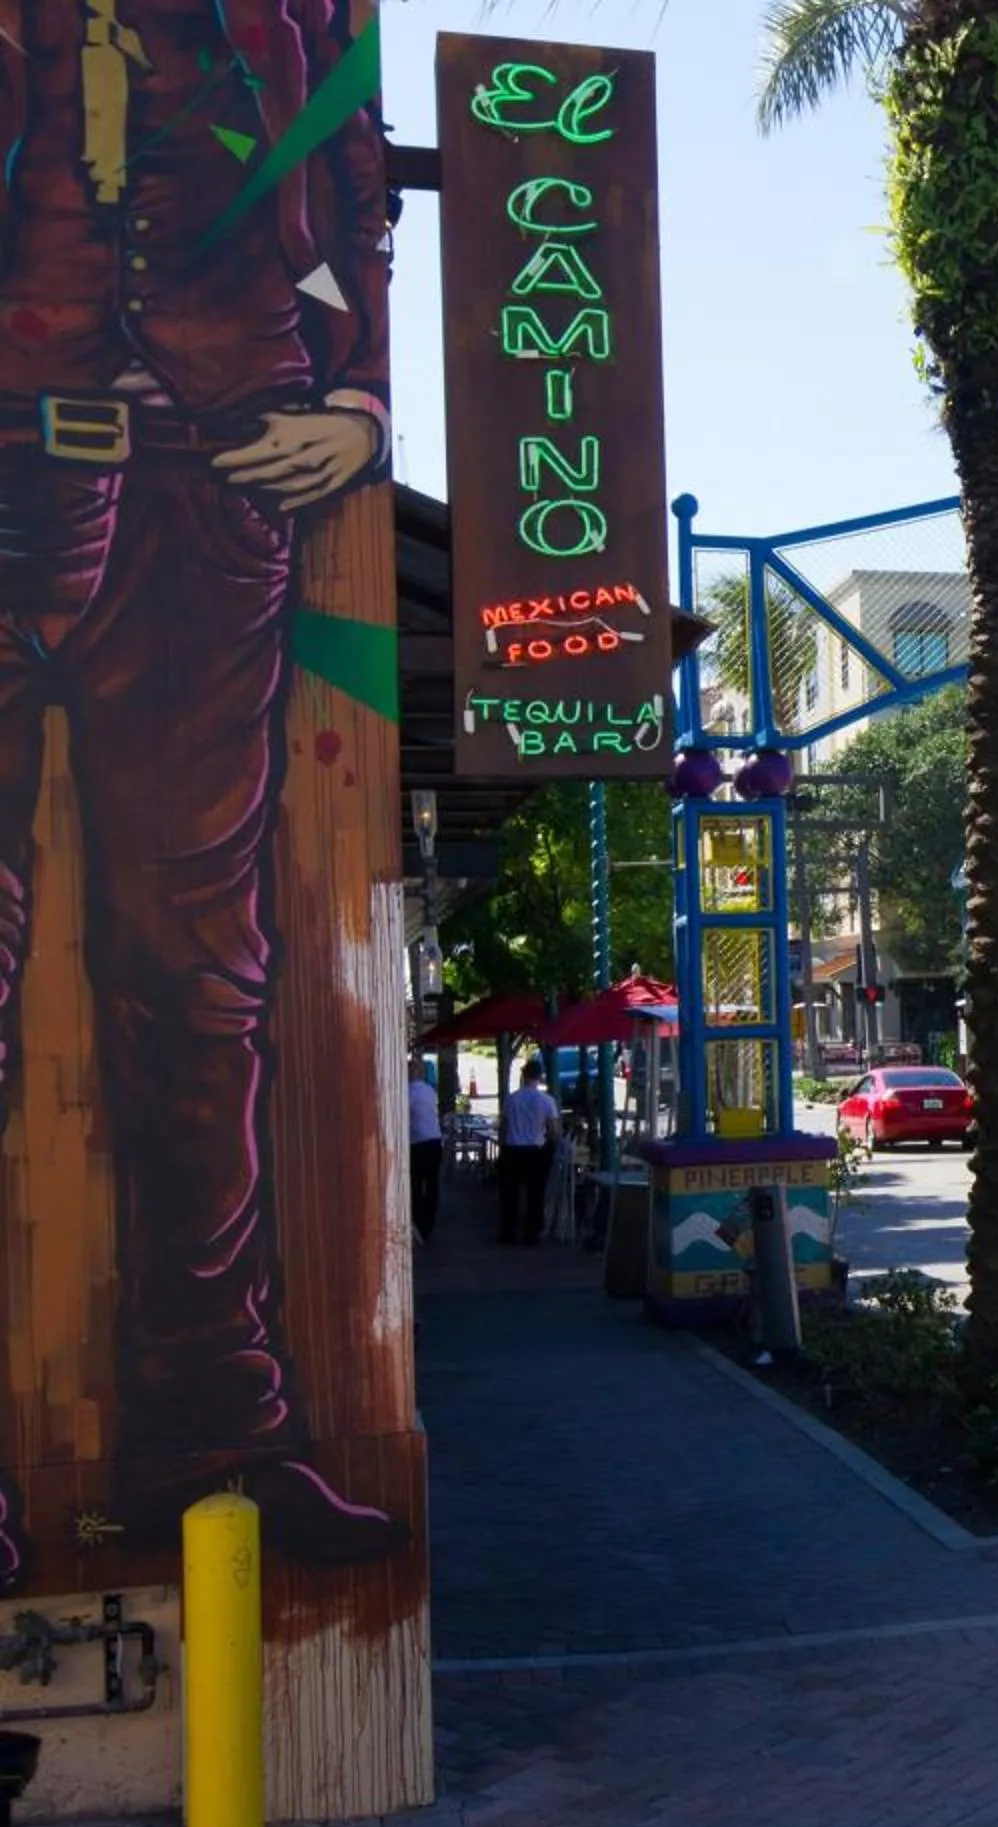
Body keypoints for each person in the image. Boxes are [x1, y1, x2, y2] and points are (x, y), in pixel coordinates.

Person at [0, 0, 398, 1591]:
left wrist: (357, 400)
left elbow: (349, 194)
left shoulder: (289, 6)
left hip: (202, 491)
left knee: (199, 973)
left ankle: (214, 1430)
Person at [497, 1061, 560, 1247]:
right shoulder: (547, 1101)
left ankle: (508, 1232)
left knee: (510, 1194)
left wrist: (503, 1147)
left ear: (523, 1075)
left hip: (513, 1149)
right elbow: (553, 1130)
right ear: (540, 1077)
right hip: (535, 1151)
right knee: (535, 1193)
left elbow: (504, 1127)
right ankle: (532, 1233)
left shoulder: (511, 1099)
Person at [407, 1057, 443, 1245]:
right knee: (432, 1183)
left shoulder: (406, 1092)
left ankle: (419, 1221)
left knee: (415, 1183)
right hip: (434, 1141)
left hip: (417, 1143)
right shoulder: (430, 1091)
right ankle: (429, 1220)